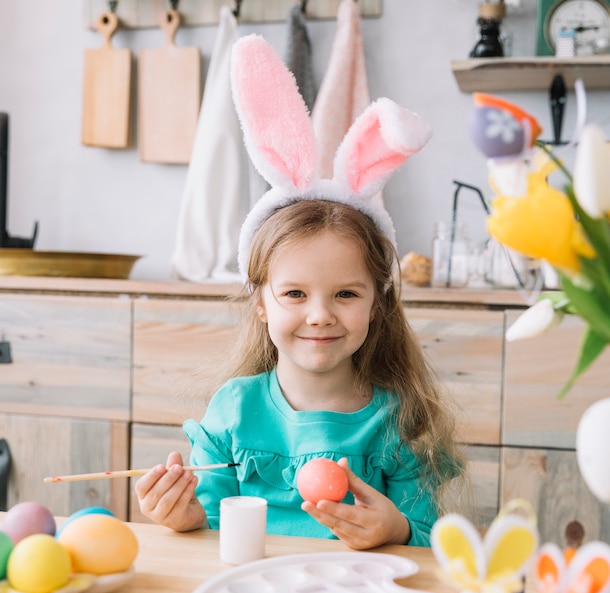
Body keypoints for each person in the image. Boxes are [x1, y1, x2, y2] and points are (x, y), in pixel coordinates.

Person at [135, 34, 466, 549]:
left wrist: (396, 529)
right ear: (260, 303)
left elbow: (429, 542)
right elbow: (211, 528)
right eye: (294, 294)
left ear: (377, 304)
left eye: (346, 295)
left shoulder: (397, 421)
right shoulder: (233, 412)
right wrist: (182, 516)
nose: (319, 316)